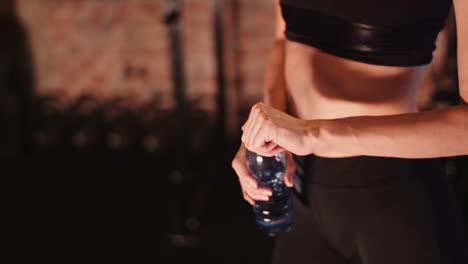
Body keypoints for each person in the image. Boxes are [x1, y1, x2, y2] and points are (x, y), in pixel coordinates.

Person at [231, 0, 468, 263]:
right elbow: (283, 38)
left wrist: (315, 134)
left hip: (393, 193)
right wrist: (263, 130)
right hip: (301, 186)